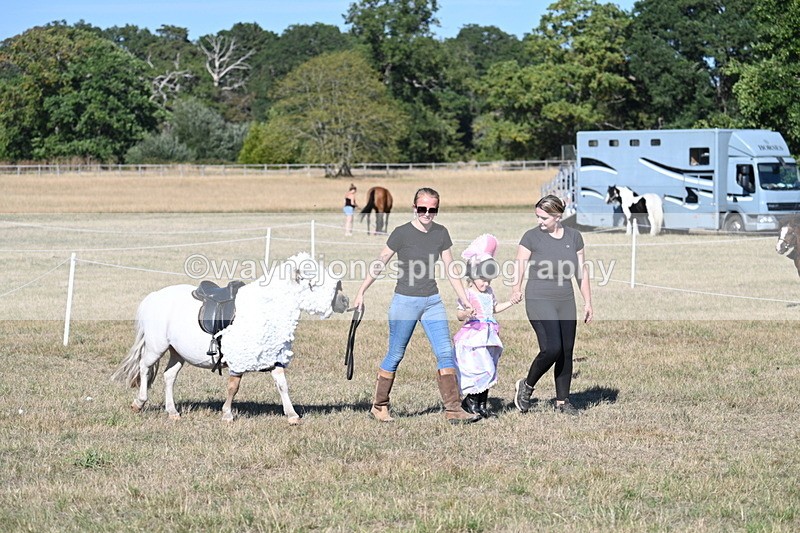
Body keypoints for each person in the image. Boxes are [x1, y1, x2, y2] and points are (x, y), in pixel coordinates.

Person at [352, 187, 482, 424]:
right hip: (405, 302)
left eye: (432, 210)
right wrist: (361, 291)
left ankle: (453, 409)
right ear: (414, 208)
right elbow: (380, 262)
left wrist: (464, 297)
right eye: (422, 208)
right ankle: (379, 405)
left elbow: (451, 268)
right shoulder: (401, 233)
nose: (427, 213)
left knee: (445, 352)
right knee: (396, 354)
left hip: (432, 301)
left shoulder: (441, 233)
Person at [510, 195, 593, 415]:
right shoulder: (531, 237)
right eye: (537, 216)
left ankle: (562, 402)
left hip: (565, 299)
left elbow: (581, 272)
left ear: (557, 216)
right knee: (552, 348)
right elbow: (519, 264)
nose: (539, 221)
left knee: (566, 351)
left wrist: (587, 302)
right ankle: (526, 386)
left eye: (544, 217)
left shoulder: (575, 237)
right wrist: (515, 288)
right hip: (539, 297)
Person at [453, 234, 515, 418]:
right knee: (477, 369)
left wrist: (511, 302)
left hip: (488, 335)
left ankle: (482, 404)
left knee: (489, 368)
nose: (486, 283)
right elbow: (458, 314)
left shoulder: (489, 292)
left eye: (489, 280)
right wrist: (466, 313)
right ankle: (471, 402)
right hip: (473, 337)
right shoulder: (468, 294)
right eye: (482, 279)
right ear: (472, 275)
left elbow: (494, 308)